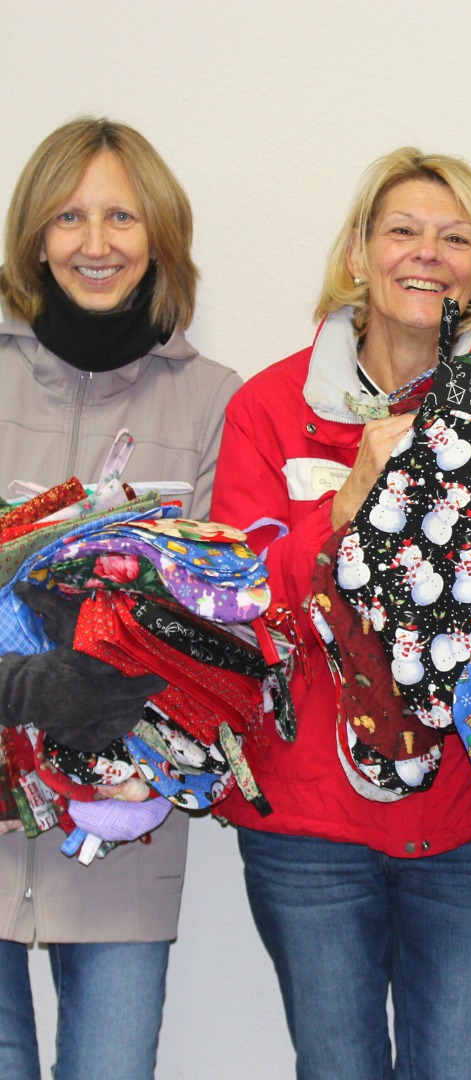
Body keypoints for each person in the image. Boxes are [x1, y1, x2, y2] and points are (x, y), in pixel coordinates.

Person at [210, 147, 471, 1080]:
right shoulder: (268, 408)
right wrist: (348, 499)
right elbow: (234, 603)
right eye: (402, 230)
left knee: (462, 1068)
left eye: (456, 238)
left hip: (469, 815)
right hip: (308, 824)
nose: (426, 254)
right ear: (359, 252)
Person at [0, 118, 240, 1080]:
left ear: (160, 237)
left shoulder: (214, 399)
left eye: (120, 216)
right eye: (69, 216)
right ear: (35, 236)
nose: (94, 243)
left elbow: (227, 617)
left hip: (125, 828)